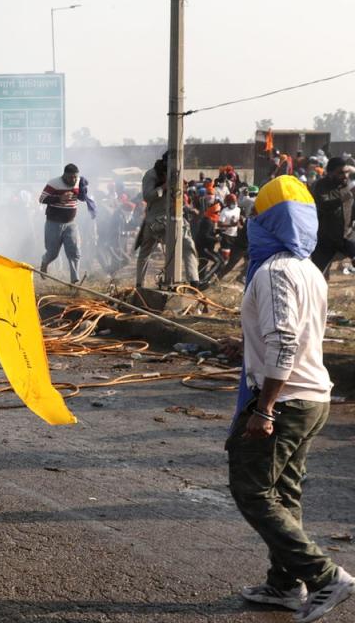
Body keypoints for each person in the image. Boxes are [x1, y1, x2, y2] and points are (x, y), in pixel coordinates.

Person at [228, 175, 354, 623]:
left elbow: (283, 342)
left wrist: (263, 408)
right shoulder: (308, 270)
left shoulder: (276, 271)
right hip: (311, 396)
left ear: (265, 223)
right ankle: (284, 584)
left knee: (252, 490)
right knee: (284, 491)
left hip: (287, 400)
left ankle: (323, 576)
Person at [134, 153, 200, 287]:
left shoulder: (177, 174)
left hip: (176, 218)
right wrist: (164, 187)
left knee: (188, 245)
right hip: (156, 221)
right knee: (145, 253)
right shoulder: (151, 175)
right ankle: (140, 284)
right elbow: (147, 196)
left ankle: (194, 281)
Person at [38, 163, 95, 283]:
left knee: (75, 251)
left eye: (75, 177)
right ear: (64, 175)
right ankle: (44, 262)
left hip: (71, 223)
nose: (73, 180)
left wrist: (83, 190)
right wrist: (59, 198)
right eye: (70, 177)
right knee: (53, 253)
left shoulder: (79, 181)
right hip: (53, 223)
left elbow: (81, 197)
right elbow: (42, 199)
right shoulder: (54, 183)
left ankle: (74, 281)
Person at [309, 157, 355, 274]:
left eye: (345, 173)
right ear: (330, 173)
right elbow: (324, 205)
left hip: (341, 237)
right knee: (319, 276)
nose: (344, 176)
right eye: (340, 173)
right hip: (323, 241)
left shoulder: (343, 185)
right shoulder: (320, 186)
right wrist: (345, 197)